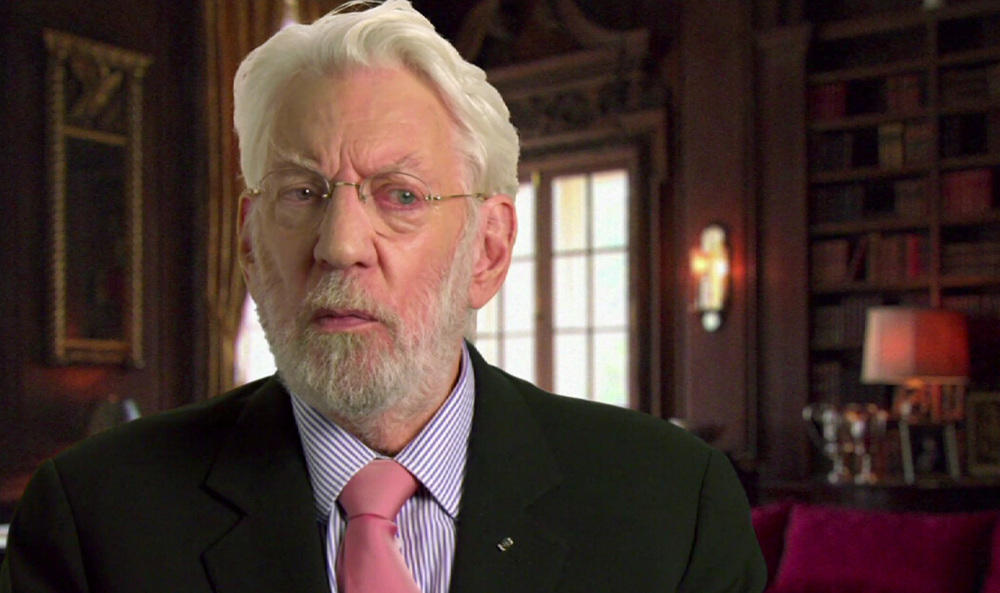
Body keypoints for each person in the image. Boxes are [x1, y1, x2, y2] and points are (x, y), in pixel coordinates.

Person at [0, 1, 766, 592]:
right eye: (302, 192)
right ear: (250, 243)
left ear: (489, 250)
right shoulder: (93, 520)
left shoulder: (675, 508)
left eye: (400, 195)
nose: (339, 244)